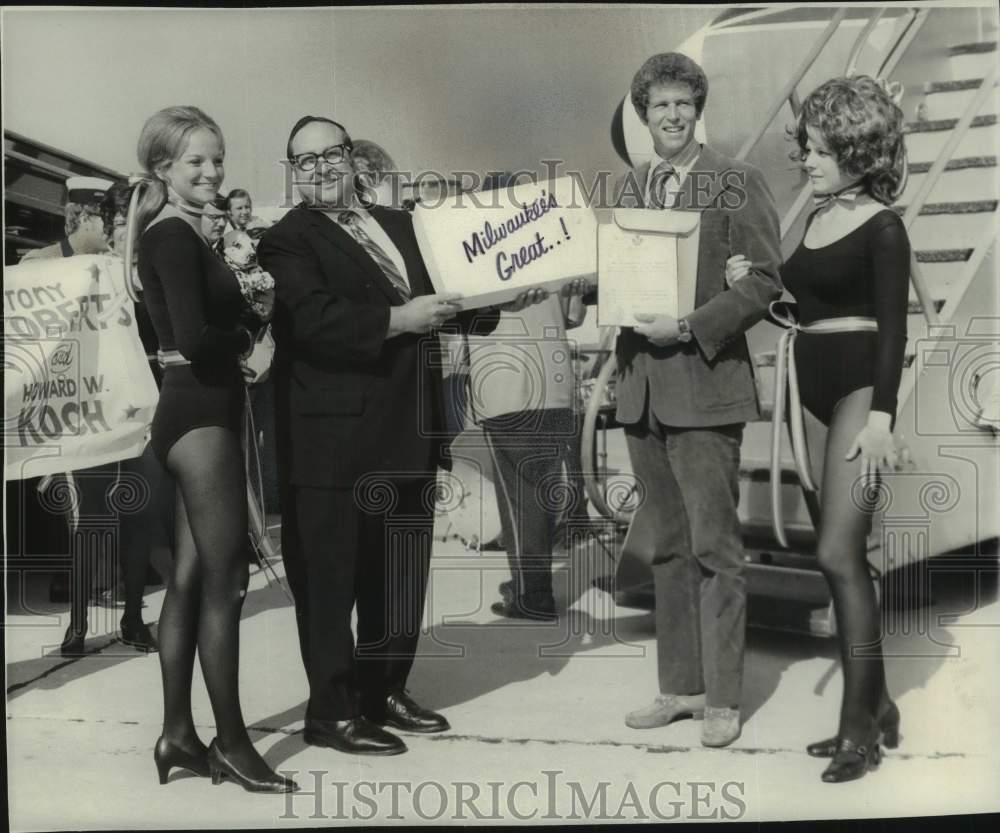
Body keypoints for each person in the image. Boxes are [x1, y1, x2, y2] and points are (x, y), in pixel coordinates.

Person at [258, 115, 543, 756]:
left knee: (400, 574)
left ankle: (384, 690)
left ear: (354, 160)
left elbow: (445, 295)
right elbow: (312, 321)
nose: (320, 168)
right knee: (330, 584)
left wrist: (504, 299)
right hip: (331, 444)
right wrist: (397, 318)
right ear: (293, 173)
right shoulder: (284, 241)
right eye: (304, 161)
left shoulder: (401, 227)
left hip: (406, 431)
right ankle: (330, 713)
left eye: (331, 154)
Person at [727, 75, 910, 782]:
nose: (807, 158)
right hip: (806, 386)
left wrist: (884, 418)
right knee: (840, 562)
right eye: (806, 145)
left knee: (839, 555)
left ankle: (857, 728)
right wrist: (761, 281)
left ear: (859, 149)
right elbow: (804, 309)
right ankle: (881, 702)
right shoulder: (816, 214)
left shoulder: (884, 225)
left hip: (862, 390)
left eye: (821, 147)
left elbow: (893, 329)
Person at [609, 53, 782, 748]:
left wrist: (686, 325)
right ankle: (680, 687)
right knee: (667, 550)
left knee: (716, 548)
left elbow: (764, 282)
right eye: (660, 107)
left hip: (706, 390)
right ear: (644, 116)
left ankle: (724, 698)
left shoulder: (737, 182)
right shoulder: (632, 187)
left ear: (697, 111)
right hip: (642, 394)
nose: (673, 116)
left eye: (684, 104)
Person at [127, 105, 296, 793]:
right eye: (195, 161)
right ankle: (231, 742)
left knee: (191, 580)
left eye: (217, 159)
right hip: (201, 415)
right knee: (227, 584)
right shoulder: (173, 236)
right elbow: (198, 339)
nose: (212, 172)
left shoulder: (183, 234)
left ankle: (177, 735)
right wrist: (248, 341)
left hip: (190, 410)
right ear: (162, 168)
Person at [469, 287, 589, 621]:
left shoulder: (467, 250)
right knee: (539, 492)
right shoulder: (554, 242)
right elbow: (573, 316)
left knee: (518, 497)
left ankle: (532, 593)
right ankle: (531, 584)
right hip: (554, 381)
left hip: (504, 382)